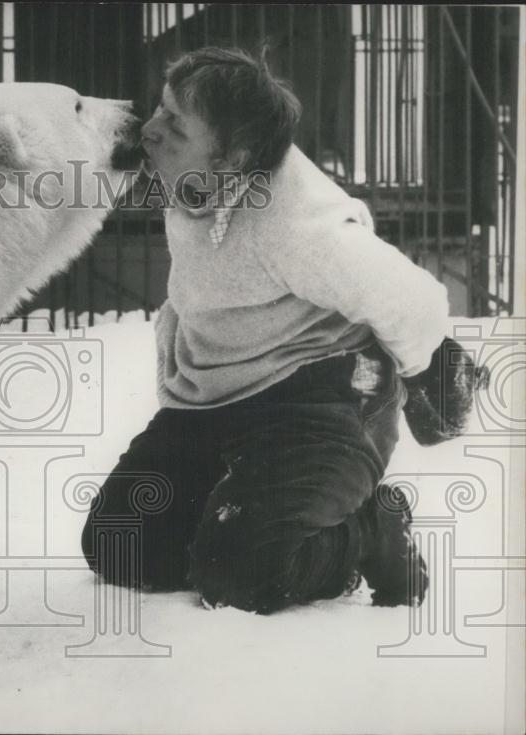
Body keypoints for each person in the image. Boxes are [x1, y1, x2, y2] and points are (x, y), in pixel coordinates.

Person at [81, 47, 452, 613]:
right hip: (218, 400)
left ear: (235, 157)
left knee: (241, 577)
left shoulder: (300, 228)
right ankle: (243, 515)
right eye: (161, 109)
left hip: (319, 404)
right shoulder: (196, 175)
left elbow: (417, 301)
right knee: (119, 543)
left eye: (175, 124)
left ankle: (370, 529)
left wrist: (432, 381)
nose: (150, 130)